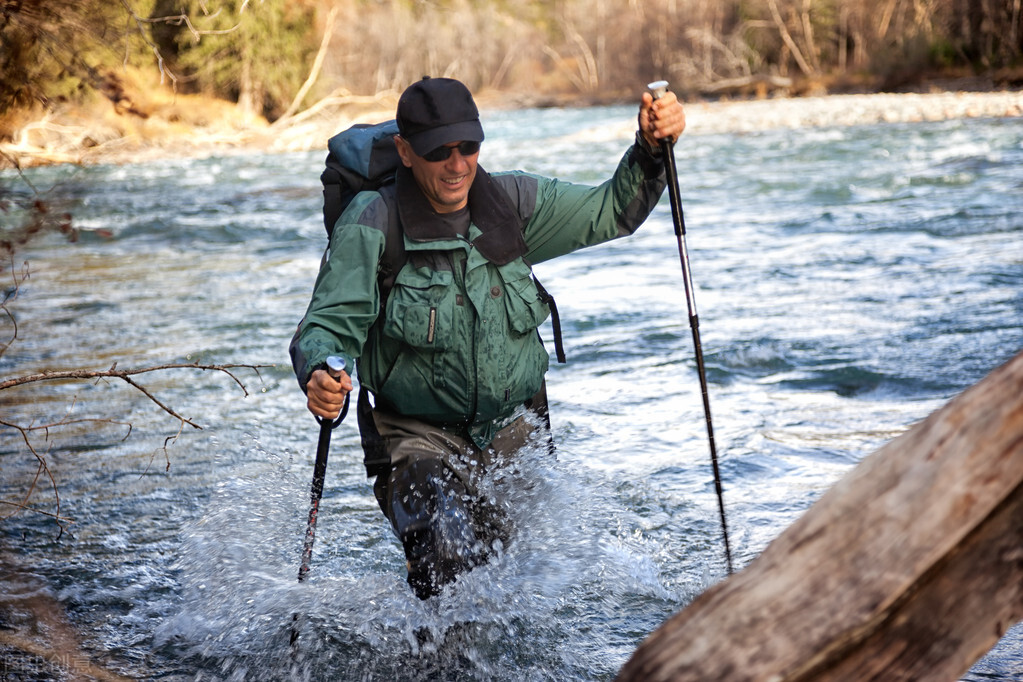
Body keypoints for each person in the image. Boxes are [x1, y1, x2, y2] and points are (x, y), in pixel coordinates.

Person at [291, 76, 685, 599]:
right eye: (439, 151)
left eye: (469, 147)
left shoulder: (512, 202)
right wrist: (320, 371)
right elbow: (325, 325)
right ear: (405, 152)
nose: (457, 165)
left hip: (515, 434)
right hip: (414, 438)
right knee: (449, 559)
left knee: (517, 585)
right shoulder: (371, 223)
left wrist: (651, 151)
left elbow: (612, 210)